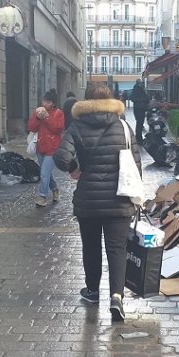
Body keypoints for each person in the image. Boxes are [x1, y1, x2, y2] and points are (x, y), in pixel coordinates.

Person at [55, 82, 141, 322]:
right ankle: (116, 296)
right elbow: (136, 164)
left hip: (89, 201)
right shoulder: (124, 127)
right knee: (117, 249)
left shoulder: (77, 127)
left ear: (86, 102)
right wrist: (136, 196)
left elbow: (61, 158)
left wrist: (74, 168)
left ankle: (92, 291)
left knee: (91, 246)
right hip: (119, 200)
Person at [27, 90, 65, 207]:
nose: (45, 104)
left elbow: (58, 129)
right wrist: (38, 118)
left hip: (52, 148)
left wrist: (47, 118)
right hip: (40, 147)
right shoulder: (37, 112)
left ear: (53, 103)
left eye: (48, 102)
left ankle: (42, 196)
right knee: (46, 173)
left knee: (44, 173)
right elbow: (31, 127)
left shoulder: (58, 113)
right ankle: (54, 189)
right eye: (44, 101)